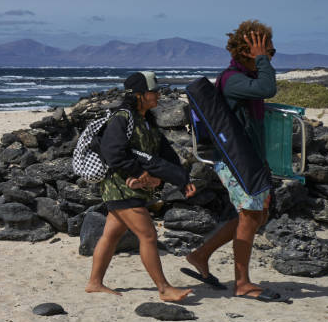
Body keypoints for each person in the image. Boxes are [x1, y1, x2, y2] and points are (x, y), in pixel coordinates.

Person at [182, 21, 282, 301]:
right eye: (267, 51)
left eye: (271, 52)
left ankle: (200, 255)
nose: (271, 56)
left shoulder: (242, 78)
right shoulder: (233, 79)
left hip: (249, 158)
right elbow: (267, 87)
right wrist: (262, 60)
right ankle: (243, 283)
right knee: (250, 217)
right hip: (235, 160)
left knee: (255, 216)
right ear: (249, 51)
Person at [86, 71, 196, 302]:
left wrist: (181, 179)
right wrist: (140, 174)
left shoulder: (146, 120)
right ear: (139, 95)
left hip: (131, 186)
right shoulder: (122, 118)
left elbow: (165, 155)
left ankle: (94, 283)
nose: (158, 94)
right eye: (153, 91)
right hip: (119, 186)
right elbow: (113, 152)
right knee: (148, 235)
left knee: (112, 234)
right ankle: (164, 289)